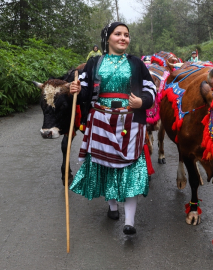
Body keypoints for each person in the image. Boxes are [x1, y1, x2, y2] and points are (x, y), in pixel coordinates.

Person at [69, 22, 156, 235]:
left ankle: (129, 221)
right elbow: (85, 90)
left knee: (131, 167)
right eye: (118, 34)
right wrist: (76, 90)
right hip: (101, 119)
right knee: (106, 165)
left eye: (126, 35)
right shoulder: (94, 63)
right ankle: (112, 207)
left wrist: (142, 102)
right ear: (107, 38)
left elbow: (150, 89)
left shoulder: (136, 63)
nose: (123, 38)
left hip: (130, 121)